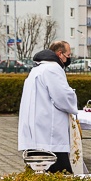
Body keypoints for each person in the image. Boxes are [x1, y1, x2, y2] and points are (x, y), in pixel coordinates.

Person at [18, 41, 80, 174]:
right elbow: (62, 97)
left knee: (38, 173)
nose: (69, 58)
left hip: (37, 131)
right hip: (51, 135)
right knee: (61, 175)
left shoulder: (36, 69)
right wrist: (72, 95)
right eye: (68, 55)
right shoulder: (53, 69)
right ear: (60, 54)